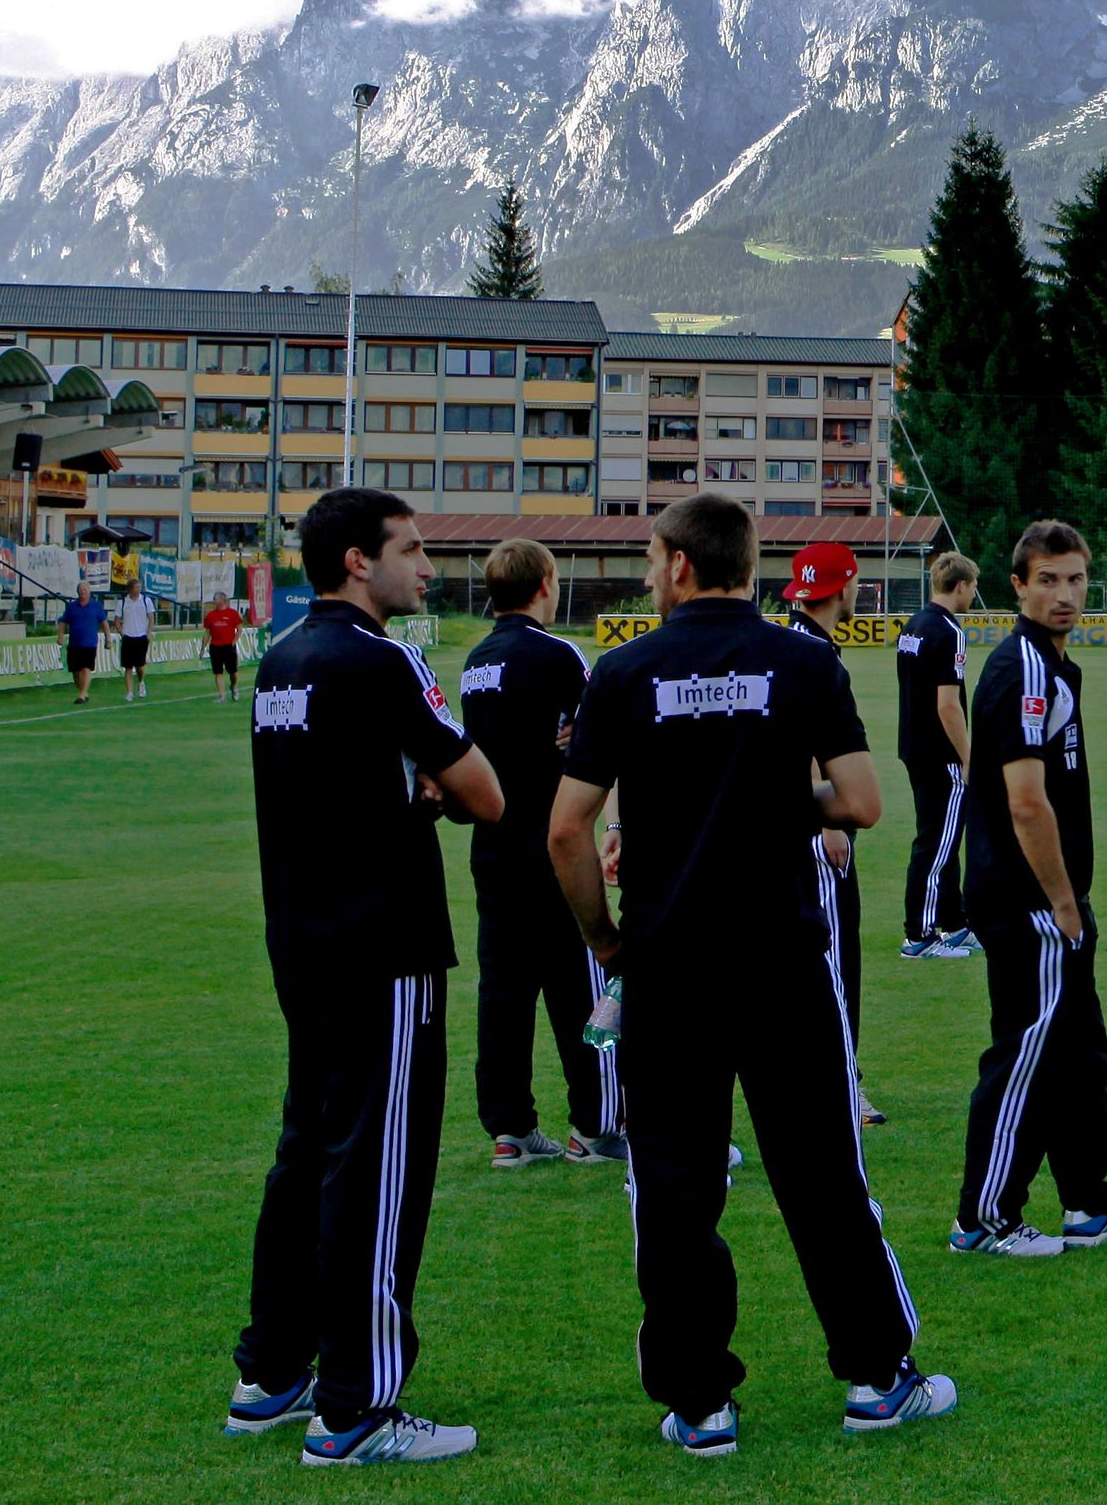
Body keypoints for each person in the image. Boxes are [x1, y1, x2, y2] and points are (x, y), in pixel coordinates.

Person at [549, 494, 951, 1455]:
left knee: (676, 1186)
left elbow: (566, 829)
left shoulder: (623, 670)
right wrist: (783, 791)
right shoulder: (806, 661)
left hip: (670, 969)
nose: (650, 573)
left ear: (679, 567)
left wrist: (605, 940)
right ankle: (878, 1378)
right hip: (782, 966)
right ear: (747, 564)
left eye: (652, 559)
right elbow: (860, 802)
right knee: (822, 1176)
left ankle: (699, 1402)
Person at [225, 486, 500, 1465]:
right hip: (383, 948)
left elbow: (348, 793)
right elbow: (485, 793)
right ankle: (355, 1407)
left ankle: (271, 1372)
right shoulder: (380, 658)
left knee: (308, 1152)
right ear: (355, 561)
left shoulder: (282, 661)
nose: (426, 567)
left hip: (304, 942)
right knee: (377, 1170)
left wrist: (409, 792)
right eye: (412, 549)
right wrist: (435, 790)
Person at [949, 519, 1107, 1258]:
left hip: (1053, 898)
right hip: (1028, 900)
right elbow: (1025, 801)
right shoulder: (1021, 667)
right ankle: (983, 1218)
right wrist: (1062, 902)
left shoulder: (1058, 666)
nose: (1065, 594)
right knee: (1026, 1054)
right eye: (1049, 580)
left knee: (1080, 1053)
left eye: (1076, 579)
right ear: (1018, 586)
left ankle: (1087, 1202)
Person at [459, 537, 609, 1169]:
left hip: (492, 848)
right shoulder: (556, 654)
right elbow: (599, 737)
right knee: (579, 988)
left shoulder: (477, 660)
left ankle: (510, 1130)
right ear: (546, 583)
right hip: (552, 843)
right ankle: (595, 1126)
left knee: (504, 993)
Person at [778, 540, 881, 1123]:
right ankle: (845, 1084)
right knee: (835, 961)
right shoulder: (814, 654)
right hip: (818, 830)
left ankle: (825, 1079)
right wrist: (830, 824)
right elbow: (808, 739)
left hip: (796, 828)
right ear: (844, 589)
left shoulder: (791, 641)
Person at [894, 553, 982, 962]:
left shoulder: (914, 625)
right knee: (937, 843)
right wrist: (967, 757)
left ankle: (957, 924)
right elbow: (948, 704)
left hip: (913, 746)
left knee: (943, 839)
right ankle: (920, 935)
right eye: (973, 585)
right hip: (940, 753)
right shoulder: (949, 631)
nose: (974, 592)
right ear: (961, 586)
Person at [63, 584, 106, 704]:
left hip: (89, 643)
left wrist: (108, 638)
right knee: (76, 672)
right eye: (80, 590)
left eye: (85, 590)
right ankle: (84, 691)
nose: (83, 592)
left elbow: (104, 622)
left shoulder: (96, 606)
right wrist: (60, 636)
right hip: (74, 643)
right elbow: (63, 622)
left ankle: (82, 695)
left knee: (86, 668)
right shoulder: (72, 607)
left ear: (89, 591)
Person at [205, 593, 249, 698]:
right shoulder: (210, 615)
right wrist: (203, 647)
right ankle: (221, 696)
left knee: (233, 672)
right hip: (215, 646)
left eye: (215, 599)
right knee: (218, 672)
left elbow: (239, 629)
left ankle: (234, 686)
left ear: (222, 600)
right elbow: (207, 632)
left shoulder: (232, 613)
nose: (214, 601)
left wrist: (233, 642)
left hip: (228, 646)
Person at [116, 582, 156, 696]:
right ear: (130, 589)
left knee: (140, 666)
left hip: (141, 636)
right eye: (136, 587)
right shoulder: (122, 602)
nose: (139, 589)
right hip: (128, 637)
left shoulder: (146, 601)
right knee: (128, 667)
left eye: (140, 587)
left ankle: (141, 682)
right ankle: (129, 692)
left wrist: (148, 633)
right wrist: (122, 633)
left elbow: (151, 618)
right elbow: (117, 620)